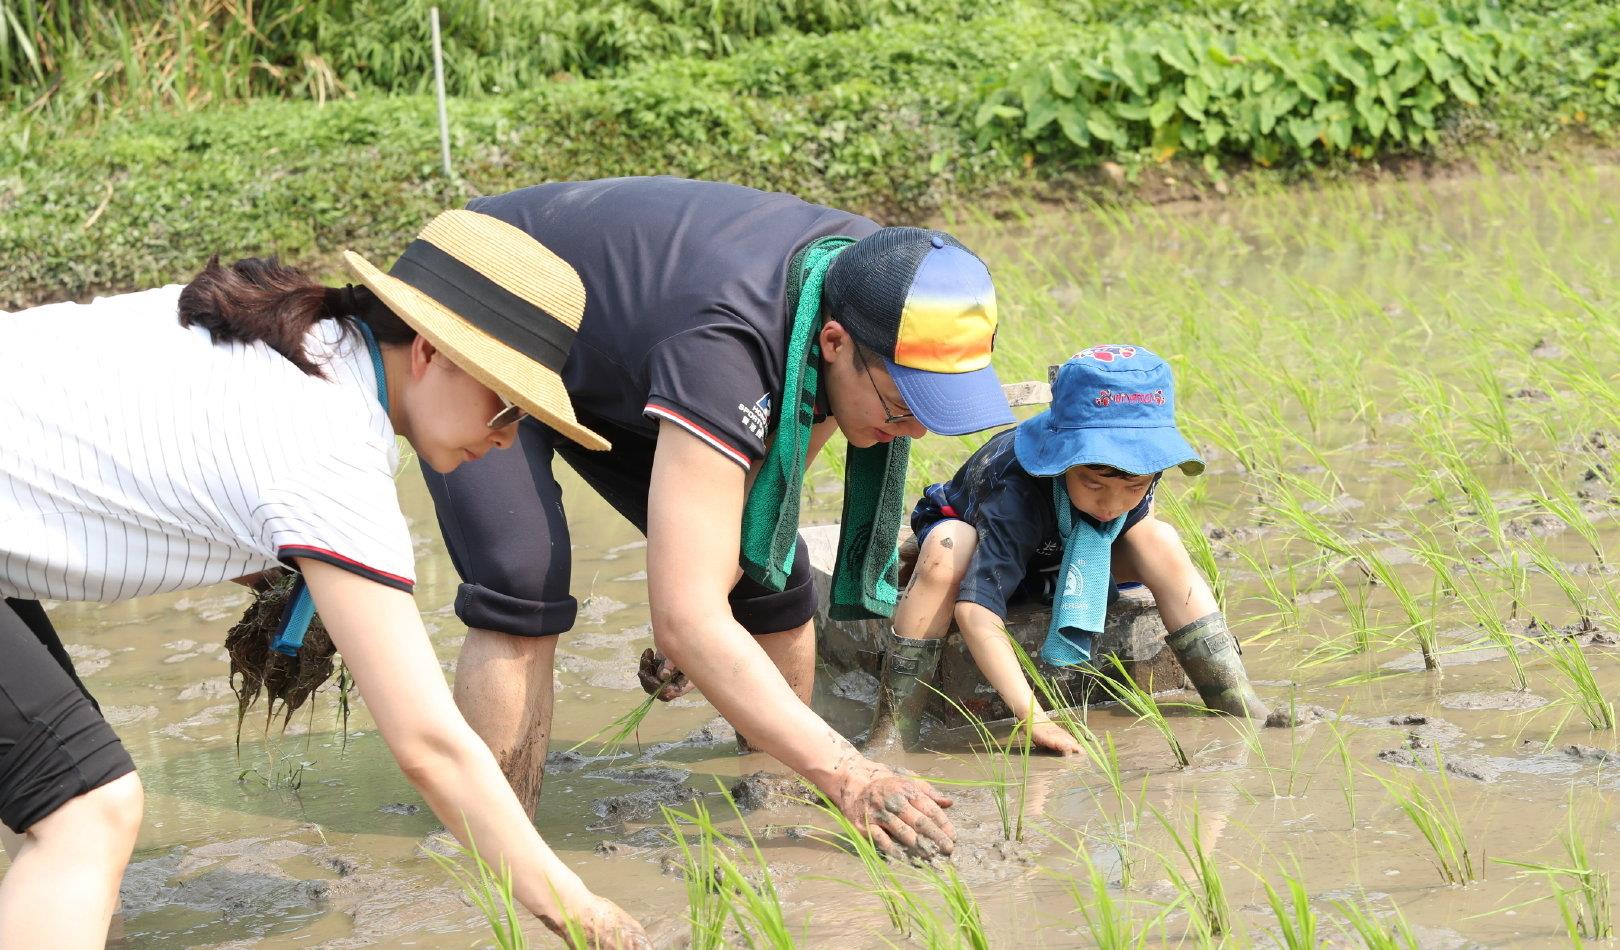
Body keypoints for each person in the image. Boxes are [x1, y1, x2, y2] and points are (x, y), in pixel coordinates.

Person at [0, 210, 648, 948]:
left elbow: (162, 469)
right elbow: (431, 746)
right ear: (431, 352)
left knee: (53, 812)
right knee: (89, 810)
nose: (506, 438)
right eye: (505, 404)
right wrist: (587, 915)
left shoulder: (296, 338)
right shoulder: (331, 442)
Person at [422, 176, 1015, 858]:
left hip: (622, 341)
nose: (909, 432)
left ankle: (777, 806)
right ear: (832, 343)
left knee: (771, 574)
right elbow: (687, 614)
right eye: (901, 406)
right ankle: (493, 849)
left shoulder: (877, 276)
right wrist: (851, 771)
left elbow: (766, 494)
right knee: (521, 577)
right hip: (486, 299)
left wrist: (701, 615)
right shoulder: (728, 346)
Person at [869, 345, 1271, 754]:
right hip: (985, 550)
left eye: (1133, 487)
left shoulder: (1139, 474)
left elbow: (1130, 514)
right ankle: (892, 733)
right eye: (1094, 484)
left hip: (1063, 554)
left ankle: (1237, 700)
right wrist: (1034, 719)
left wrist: (1127, 499)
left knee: (1160, 539)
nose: (1111, 504)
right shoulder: (1016, 490)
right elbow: (974, 611)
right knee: (947, 547)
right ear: (1061, 461)